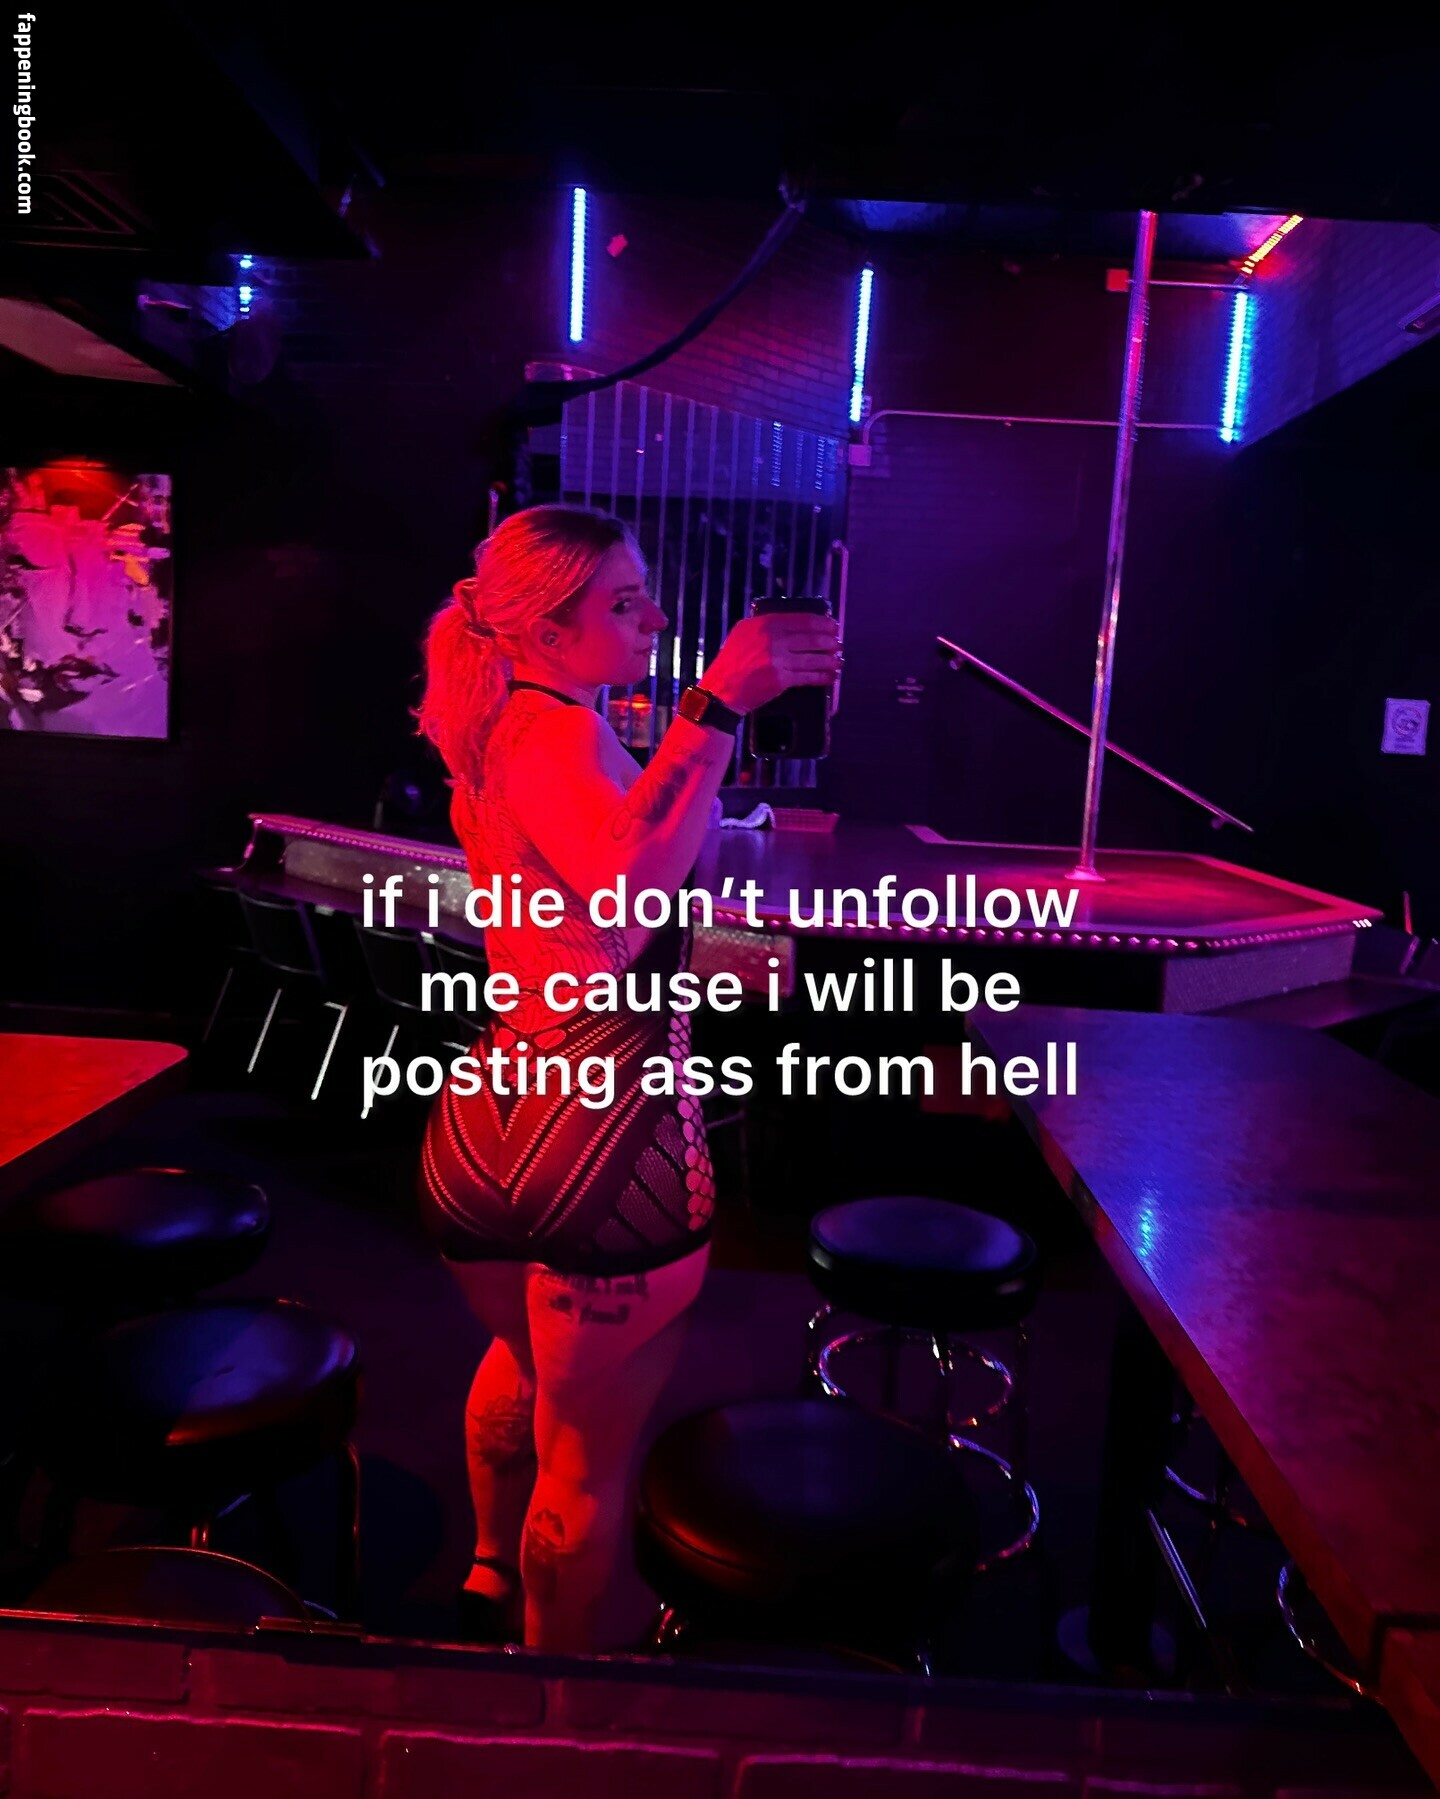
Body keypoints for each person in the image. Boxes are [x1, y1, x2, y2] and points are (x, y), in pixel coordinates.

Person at [414, 503, 841, 1651]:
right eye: (623, 601)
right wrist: (716, 706)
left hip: (492, 1113)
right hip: (604, 1125)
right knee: (585, 1458)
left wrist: (697, 747)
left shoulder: (507, 728)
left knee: (522, 1359)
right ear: (545, 630)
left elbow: (610, 860)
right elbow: (624, 891)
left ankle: (487, 1571)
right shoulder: (553, 732)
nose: (653, 618)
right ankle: (553, 1706)